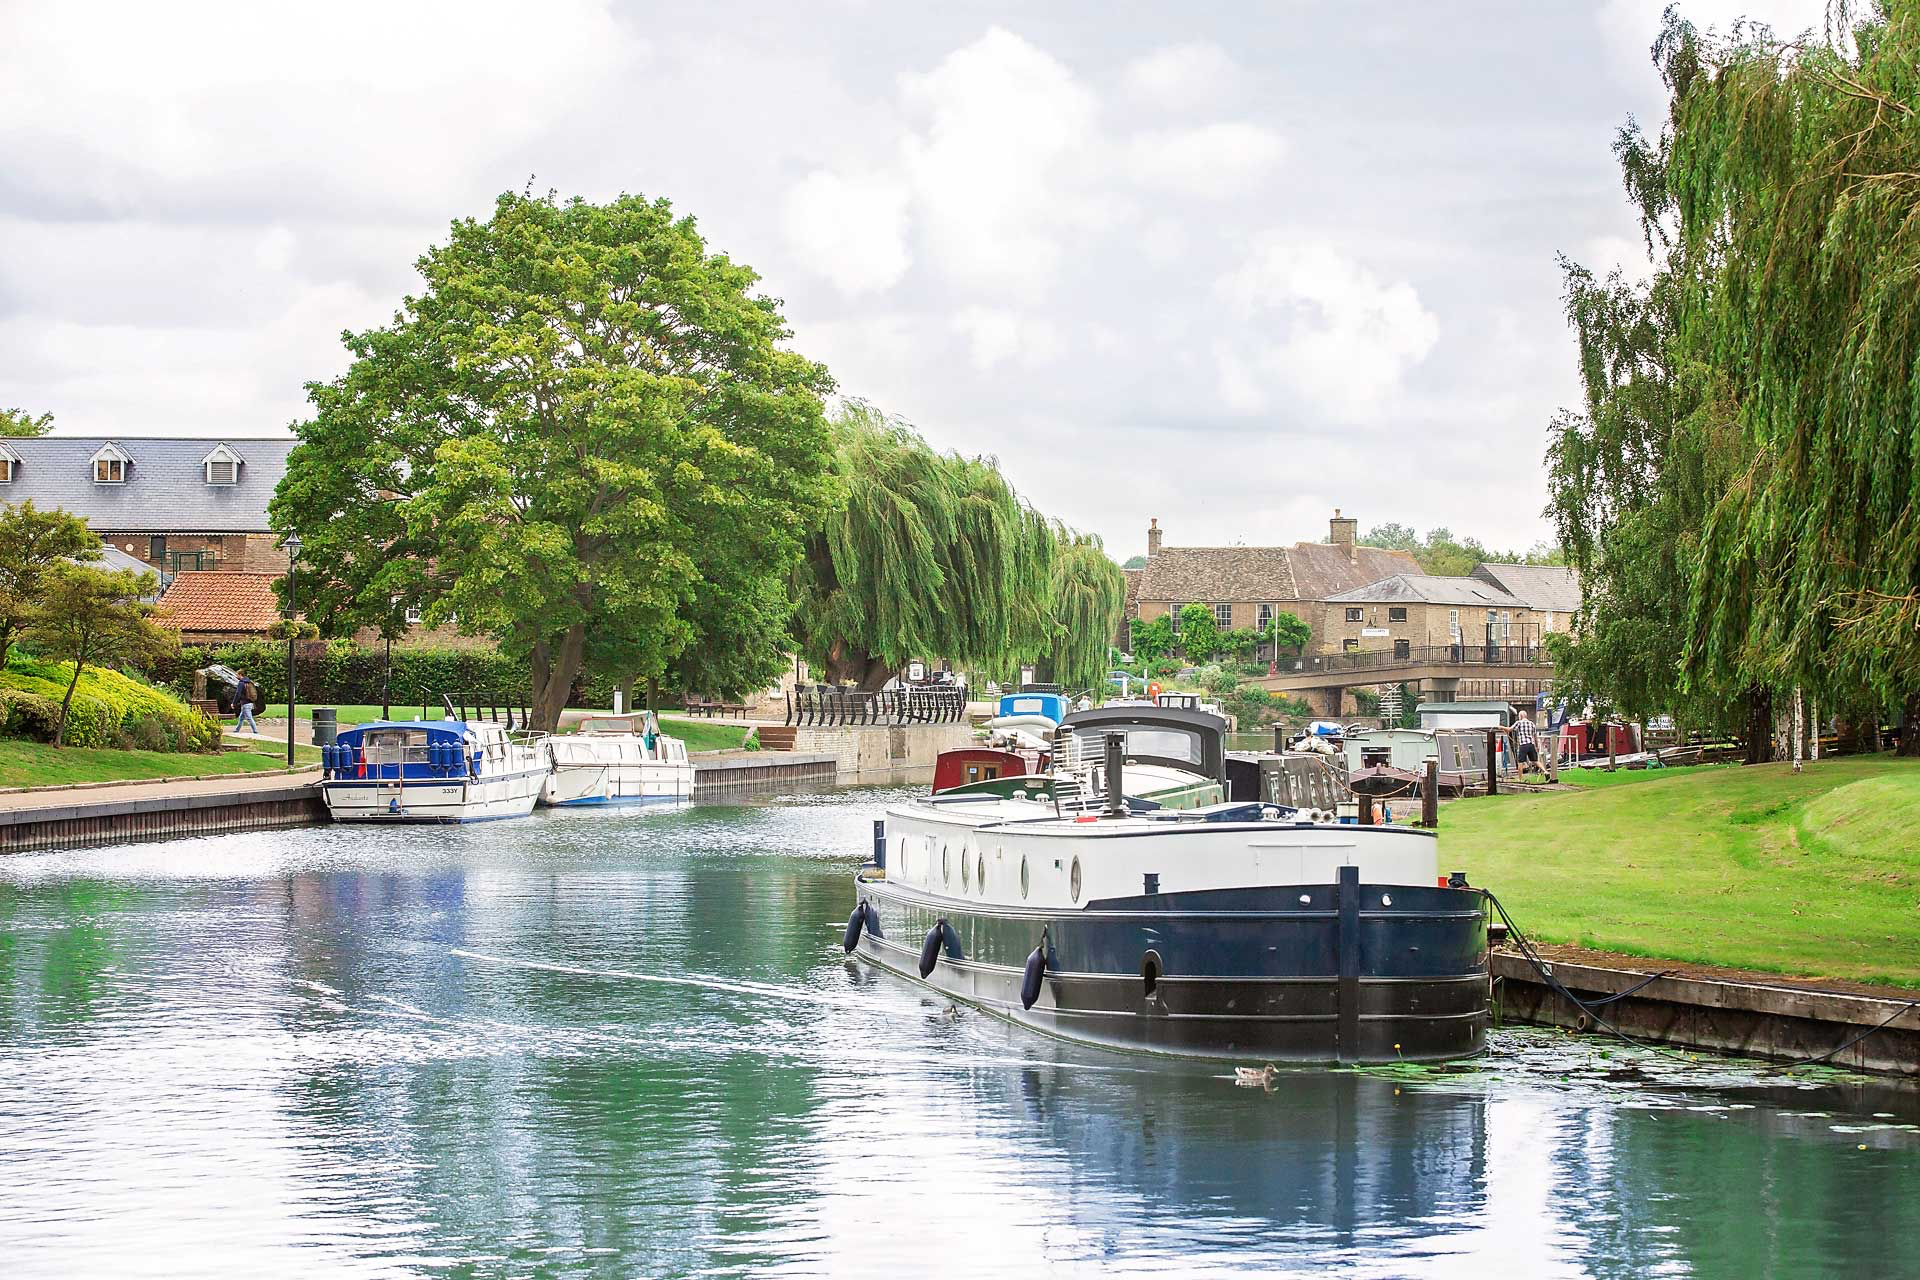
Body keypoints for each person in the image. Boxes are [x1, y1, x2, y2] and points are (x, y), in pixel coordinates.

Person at [1511, 709, 1540, 775]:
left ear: (1520, 716)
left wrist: (1501, 727)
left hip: (1523, 744)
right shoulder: (1532, 724)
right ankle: (1545, 771)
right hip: (1531, 744)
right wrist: (1537, 746)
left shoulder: (1519, 723)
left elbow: (1510, 729)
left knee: (1520, 762)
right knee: (1535, 761)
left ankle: (1520, 779)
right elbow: (1535, 737)